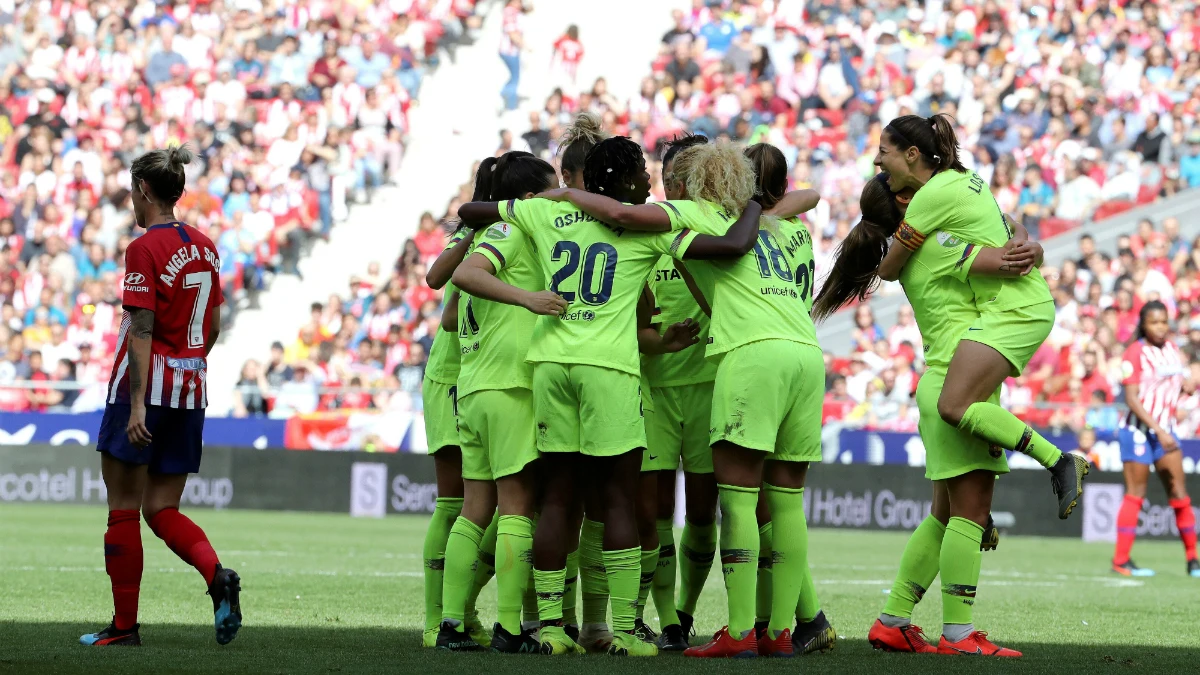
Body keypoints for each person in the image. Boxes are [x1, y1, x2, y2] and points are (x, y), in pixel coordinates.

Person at [457, 135, 765, 657]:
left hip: (551, 366)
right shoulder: (647, 227)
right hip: (608, 369)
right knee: (617, 497)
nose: (650, 183)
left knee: (557, 497)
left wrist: (548, 201)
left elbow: (470, 209)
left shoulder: (545, 217)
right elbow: (731, 241)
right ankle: (624, 629)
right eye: (642, 176)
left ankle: (552, 629)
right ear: (622, 183)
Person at [540, 141, 820, 659]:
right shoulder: (775, 226)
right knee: (784, 504)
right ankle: (780, 631)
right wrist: (758, 202)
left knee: (733, 503)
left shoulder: (688, 215)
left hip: (746, 358)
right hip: (805, 354)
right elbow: (809, 196)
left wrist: (561, 195)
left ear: (695, 181)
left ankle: (737, 633)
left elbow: (622, 212)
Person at [817, 174, 1039, 658]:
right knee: (970, 513)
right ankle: (959, 635)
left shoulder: (915, 249)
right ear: (907, 204)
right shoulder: (938, 242)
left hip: (942, 378)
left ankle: (893, 620)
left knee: (945, 513)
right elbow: (1013, 259)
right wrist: (1029, 242)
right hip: (961, 383)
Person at [873, 113, 1089, 520]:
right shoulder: (965, 179)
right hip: (1008, 309)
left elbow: (887, 269)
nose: (877, 161)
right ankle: (988, 513)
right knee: (954, 507)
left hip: (1011, 309)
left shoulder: (929, 203)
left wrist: (1026, 251)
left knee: (952, 408)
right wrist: (1028, 243)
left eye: (884, 152)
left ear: (913, 154)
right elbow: (1005, 225)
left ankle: (1059, 461)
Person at [81, 146, 240, 647]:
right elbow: (212, 323)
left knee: (124, 505)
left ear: (144, 191)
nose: (131, 199)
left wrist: (137, 402)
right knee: (163, 507)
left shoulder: (143, 248)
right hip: (191, 389)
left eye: (133, 190)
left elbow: (142, 328)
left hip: (147, 389)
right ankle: (217, 578)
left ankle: (124, 627)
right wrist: (189, 363)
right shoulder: (207, 246)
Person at [435, 152, 559, 653]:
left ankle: (451, 624)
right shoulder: (512, 231)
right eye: (551, 191)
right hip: (509, 385)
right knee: (516, 509)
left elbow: (450, 314)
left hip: (475, 385)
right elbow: (463, 278)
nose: (558, 200)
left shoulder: (492, 235)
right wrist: (529, 299)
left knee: (475, 509)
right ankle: (510, 627)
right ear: (528, 198)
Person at [418, 163, 491, 650]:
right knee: (456, 503)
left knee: (495, 506)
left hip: (481, 378)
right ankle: (437, 620)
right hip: (453, 376)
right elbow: (445, 311)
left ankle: (460, 612)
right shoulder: (475, 236)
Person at [1112, 301, 1198, 578]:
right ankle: (1121, 561)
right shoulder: (1135, 353)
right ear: (1143, 324)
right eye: (1154, 322)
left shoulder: (1172, 350)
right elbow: (1132, 399)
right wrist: (1158, 430)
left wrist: (1186, 387)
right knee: (1135, 494)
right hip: (1138, 431)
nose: (1160, 327)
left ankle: (1192, 560)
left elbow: (1179, 383)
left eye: (1164, 322)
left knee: (1179, 494)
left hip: (1166, 429)